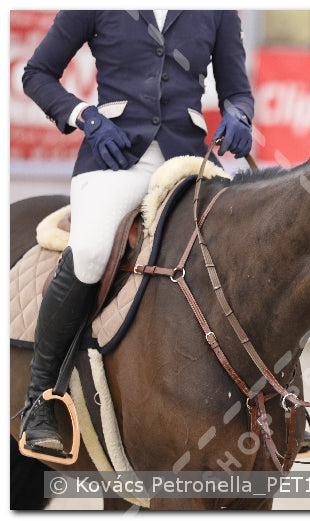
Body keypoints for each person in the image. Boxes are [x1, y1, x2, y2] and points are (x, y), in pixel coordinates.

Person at [19, 10, 254, 455]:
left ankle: (278, 395)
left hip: (188, 160)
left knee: (247, 245)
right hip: (114, 157)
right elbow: (37, 74)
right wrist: (84, 116)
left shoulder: (218, 10)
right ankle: (39, 402)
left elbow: (236, 91)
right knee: (88, 252)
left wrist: (239, 115)